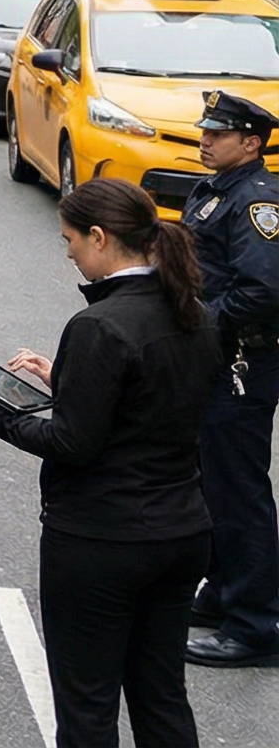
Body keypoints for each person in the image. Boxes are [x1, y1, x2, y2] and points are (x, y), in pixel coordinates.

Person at [0, 178, 218, 748]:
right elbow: (155, 400)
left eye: (71, 241)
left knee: (87, 707)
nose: (70, 253)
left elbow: (73, 442)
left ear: (101, 238)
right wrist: (66, 378)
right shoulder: (194, 313)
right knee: (161, 695)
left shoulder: (98, 325)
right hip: (182, 529)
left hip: (101, 540)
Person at [180, 90, 279, 668]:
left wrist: (199, 321)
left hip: (243, 362)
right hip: (215, 361)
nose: (205, 139)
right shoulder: (216, 189)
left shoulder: (257, 204)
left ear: (251, 142)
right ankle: (223, 590)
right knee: (212, 482)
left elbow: (263, 290)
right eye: (206, 130)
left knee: (239, 491)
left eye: (218, 133)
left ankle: (254, 623)